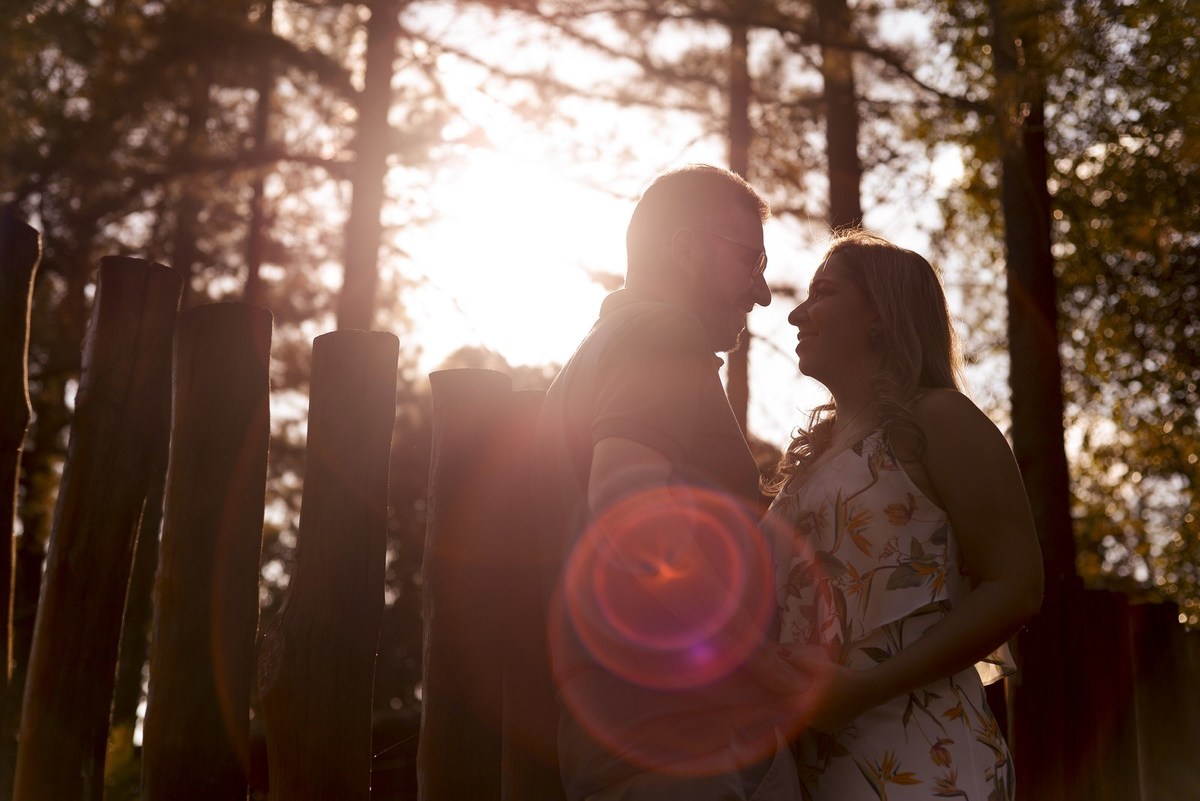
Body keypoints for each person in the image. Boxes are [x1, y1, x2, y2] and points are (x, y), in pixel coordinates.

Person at [533, 164, 807, 801]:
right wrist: (761, 664)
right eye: (751, 260)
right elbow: (629, 502)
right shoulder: (661, 332)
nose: (762, 293)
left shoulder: (595, 356)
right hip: (679, 749)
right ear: (687, 250)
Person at [760, 229, 1044, 799]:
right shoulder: (812, 462)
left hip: (924, 757)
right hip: (814, 767)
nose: (796, 315)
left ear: (880, 316)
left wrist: (866, 689)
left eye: (823, 293)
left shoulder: (938, 420)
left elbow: (1017, 587)